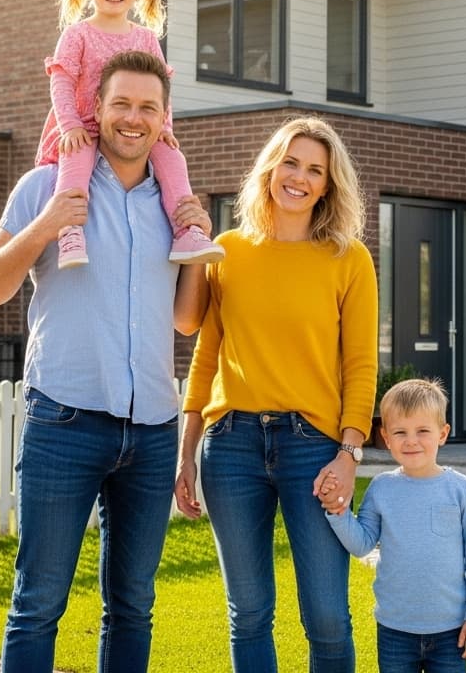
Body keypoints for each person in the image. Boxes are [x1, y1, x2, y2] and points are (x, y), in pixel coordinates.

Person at [0, 50, 212, 673]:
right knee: (38, 602)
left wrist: (200, 250)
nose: (134, 118)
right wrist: (44, 227)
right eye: (121, 103)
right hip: (64, 426)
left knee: (132, 604)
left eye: (148, 107)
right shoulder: (48, 186)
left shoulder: (174, 203)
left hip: (152, 430)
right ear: (94, 111)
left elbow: (186, 319)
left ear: (164, 118)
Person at [174, 115, 378, 673]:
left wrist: (349, 452)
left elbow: (361, 366)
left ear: (329, 185)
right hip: (231, 446)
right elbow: (204, 354)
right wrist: (186, 452)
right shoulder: (228, 250)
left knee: (328, 617)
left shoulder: (348, 259)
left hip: (314, 448)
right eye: (291, 162)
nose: (301, 177)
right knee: (249, 613)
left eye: (316, 169)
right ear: (270, 169)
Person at [36, 0, 222, 269]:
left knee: (173, 160)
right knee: (75, 163)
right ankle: (70, 231)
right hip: (84, 125)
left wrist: (164, 128)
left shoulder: (145, 37)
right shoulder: (78, 34)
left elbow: (160, 88)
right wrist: (71, 126)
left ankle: (186, 230)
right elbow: (61, 83)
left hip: (133, 127)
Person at [324, 378, 466, 673]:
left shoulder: (461, 490)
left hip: (451, 630)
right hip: (394, 630)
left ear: (443, 433)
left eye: (422, 431)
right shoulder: (381, 488)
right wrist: (337, 512)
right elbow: (362, 543)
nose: (411, 440)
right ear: (386, 438)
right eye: (400, 432)